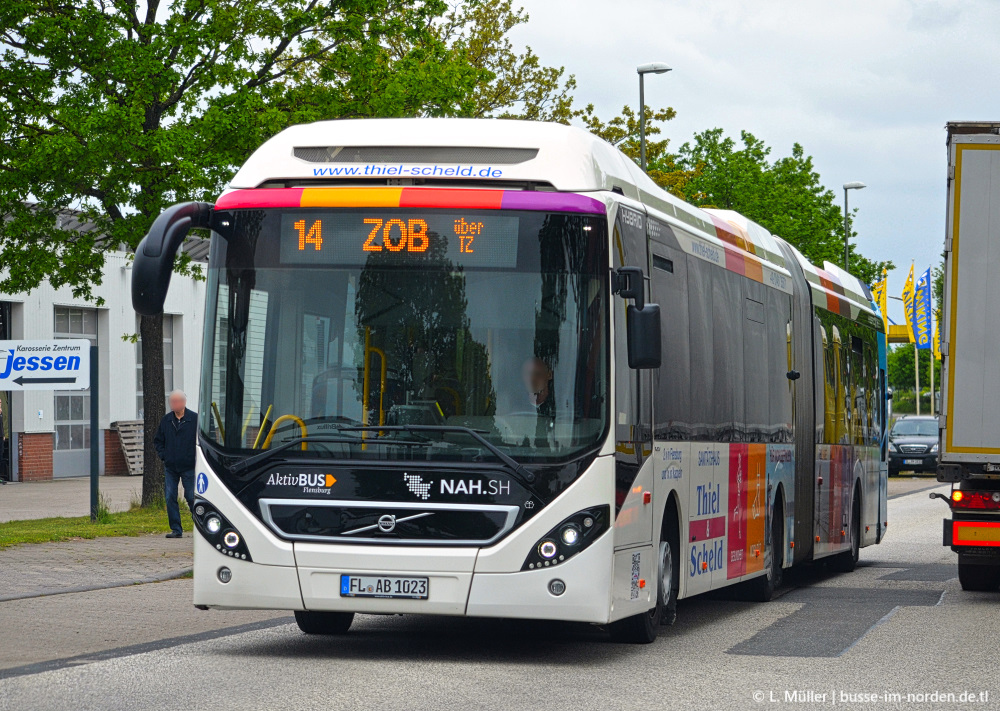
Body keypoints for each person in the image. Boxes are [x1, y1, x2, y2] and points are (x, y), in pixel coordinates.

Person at [153, 390, 198, 538]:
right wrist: (164, 456)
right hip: (171, 467)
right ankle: (176, 529)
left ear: (184, 402)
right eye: (172, 402)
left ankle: (199, 526)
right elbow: (158, 441)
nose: (174, 404)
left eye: (177, 401)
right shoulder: (166, 420)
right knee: (170, 496)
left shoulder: (194, 419)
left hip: (189, 466)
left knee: (191, 497)